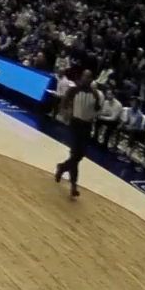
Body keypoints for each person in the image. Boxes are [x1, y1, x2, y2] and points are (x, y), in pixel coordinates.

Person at [54, 70, 101, 199]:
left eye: (89, 77)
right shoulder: (73, 90)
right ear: (82, 77)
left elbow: (98, 109)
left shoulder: (95, 94)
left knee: (80, 155)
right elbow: (64, 103)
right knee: (75, 154)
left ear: (92, 79)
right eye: (85, 76)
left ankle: (62, 167)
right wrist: (67, 113)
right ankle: (73, 185)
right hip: (75, 124)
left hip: (86, 126)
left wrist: (93, 116)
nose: (87, 79)